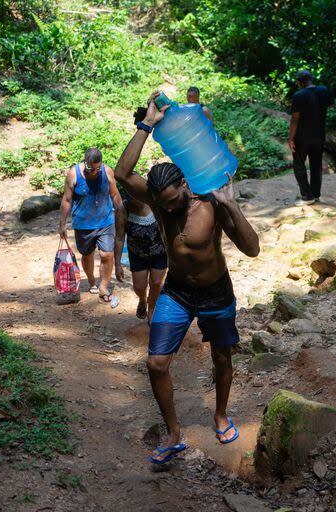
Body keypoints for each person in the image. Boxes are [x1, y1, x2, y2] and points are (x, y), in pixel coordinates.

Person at [115, 91, 260, 465]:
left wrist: (231, 204)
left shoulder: (210, 203)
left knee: (222, 358)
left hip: (215, 293)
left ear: (184, 184)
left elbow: (252, 249)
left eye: (172, 200)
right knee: (156, 363)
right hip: (176, 293)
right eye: (161, 203)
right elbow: (121, 174)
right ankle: (174, 434)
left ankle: (221, 414)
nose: (167, 208)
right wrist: (146, 125)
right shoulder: (161, 198)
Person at [58, 147, 123, 304]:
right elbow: (67, 200)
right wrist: (62, 224)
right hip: (83, 224)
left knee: (107, 254)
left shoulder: (106, 172)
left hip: (106, 221)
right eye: (91, 168)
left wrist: (121, 214)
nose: (94, 171)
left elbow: (115, 194)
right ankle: (92, 281)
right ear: (85, 162)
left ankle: (104, 286)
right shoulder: (74, 174)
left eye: (97, 168)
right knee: (87, 255)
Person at [114, 192, 167, 322]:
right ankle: (142, 299)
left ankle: (151, 308)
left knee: (156, 283)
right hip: (137, 254)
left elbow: (167, 227)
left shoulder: (155, 202)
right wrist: (117, 264)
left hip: (160, 252)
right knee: (139, 286)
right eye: (130, 196)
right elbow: (120, 238)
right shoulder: (123, 209)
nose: (134, 199)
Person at [288, 70, 333, 205]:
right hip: (319, 136)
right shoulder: (324, 90)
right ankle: (315, 194)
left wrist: (291, 138)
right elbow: (331, 105)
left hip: (302, 137)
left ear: (300, 82)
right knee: (316, 166)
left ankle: (307, 196)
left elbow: (295, 119)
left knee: (299, 165)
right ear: (311, 79)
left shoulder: (299, 95)